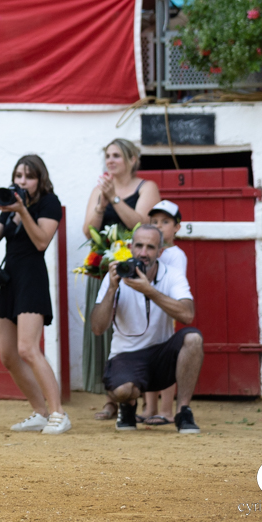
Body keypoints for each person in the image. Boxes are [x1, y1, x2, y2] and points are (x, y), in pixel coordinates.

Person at [0, 155, 69, 435]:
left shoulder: (49, 202)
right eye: (18, 175)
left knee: (28, 349)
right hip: (10, 279)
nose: (22, 181)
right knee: (8, 355)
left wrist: (23, 210)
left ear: (39, 179)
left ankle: (58, 413)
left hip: (32, 277)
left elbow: (42, 241)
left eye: (29, 176)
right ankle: (40, 413)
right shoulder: (10, 204)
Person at [90, 224, 203, 434]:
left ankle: (183, 411)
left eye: (150, 247)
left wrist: (150, 291)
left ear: (160, 252)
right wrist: (112, 288)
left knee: (193, 339)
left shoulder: (172, 275)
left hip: (161, 355)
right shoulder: (116, 275)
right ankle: (128, 406)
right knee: (123, 391)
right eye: (139, 246)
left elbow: (187, 315)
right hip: (127, 355)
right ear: (130, 247)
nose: (143, 253)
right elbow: (97, 328)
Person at [82, 136, 160, 416]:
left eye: (116, 155)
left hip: (135, 270)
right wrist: (102, 203)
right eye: (108, 156)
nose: (110, 161)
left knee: (133, 329)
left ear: (132, 160)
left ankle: (136, 393)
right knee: (103, 334)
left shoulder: (146, 187)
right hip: (106, 269)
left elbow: (143, 225)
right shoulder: (98, 189)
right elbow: (87, 230)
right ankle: (110, 399)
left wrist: (115, 197)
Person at [140, 199, 185, 425]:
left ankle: (167, 411)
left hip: (164, 311)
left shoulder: (175, 254)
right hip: (149, 311)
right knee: (148, 356)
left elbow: (173, 284)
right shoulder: (150, 251)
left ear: (177, 227)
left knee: (165, 359)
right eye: (154, 221)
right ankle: (150, 408)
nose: (159, 226)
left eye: (165, 222)